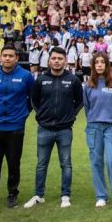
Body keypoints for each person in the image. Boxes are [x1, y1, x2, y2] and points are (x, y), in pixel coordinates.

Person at [24, 47, 83, 209]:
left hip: (65, 129)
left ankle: (65, 195)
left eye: (60, 58)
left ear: (65, 61)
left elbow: (80, 101)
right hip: (45, 129)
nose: (57, 61)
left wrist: (72, 115)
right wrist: (41, 115)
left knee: (66, 164)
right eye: (54, 58)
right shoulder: (41, 80)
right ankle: (38, 195)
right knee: (41, 164)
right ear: (49, 60)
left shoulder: (73, 80)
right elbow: (34, 101)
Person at [0, 44, 35, 209]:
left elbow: (32, 99)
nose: (8, 58)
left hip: (15, 127)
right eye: (5, 55)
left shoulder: (26, 76)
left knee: (13, 163)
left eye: (11, 56)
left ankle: (12, 194)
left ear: (17, 58)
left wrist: (23, 114)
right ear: (0, 57)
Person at [83, 53, 112, 208]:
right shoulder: (88, 85)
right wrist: (94, 120)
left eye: (102, 62)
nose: (99, 65)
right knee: (96, 162)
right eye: (96, 62)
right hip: (94, 127)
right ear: (93, 65)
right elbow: (87, 107)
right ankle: (101, 196)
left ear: (107, 65)